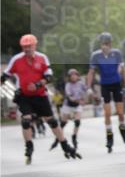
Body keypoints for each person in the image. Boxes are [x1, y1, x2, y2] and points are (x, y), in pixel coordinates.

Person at [1, 34, 82, 164]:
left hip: (40, 95)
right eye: (24, 47)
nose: (27, 49)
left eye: (29, 46)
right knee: (26, 121)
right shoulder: (16, 59)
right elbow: (4, 76)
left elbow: (49, 77)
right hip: (24, 95)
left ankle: (64, 145)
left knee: (52, 121)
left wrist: (38, 84)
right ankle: (29, 146)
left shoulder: (42, 58)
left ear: (35, 46)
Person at [86, 32, 125, 152]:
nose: (104, 46)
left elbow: (124, 70)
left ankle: (123, 130)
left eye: (107, 43)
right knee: (107, 113)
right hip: (105, 85)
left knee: (120, 113)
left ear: (110, 44)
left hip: (116, 84)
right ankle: (109, 136)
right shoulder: (95, 55)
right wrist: (88, 87)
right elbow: (91, 72)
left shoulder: (117, 53)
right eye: (103, 44)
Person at [49, 68, 88, 150]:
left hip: (77, 105)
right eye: (72, 75)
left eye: (75, 75)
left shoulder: (81, 84)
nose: (73, 77)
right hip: (69, 105)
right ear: (69, 77)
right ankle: (58, 139)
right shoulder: (68, 85)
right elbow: (70, 98)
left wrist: (85, 99)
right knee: (63, 123)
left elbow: (86, 91)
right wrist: (79, 101)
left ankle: (74, 137)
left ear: (78, 76)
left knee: (77, 121)